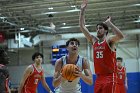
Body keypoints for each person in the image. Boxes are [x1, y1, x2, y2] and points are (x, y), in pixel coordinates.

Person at [79, 0, 124, 93]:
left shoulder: (109, 40)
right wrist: (82, 11)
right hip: (99, 77)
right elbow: (82, 26)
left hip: (110, 76)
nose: (98, 30)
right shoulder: (94, 41)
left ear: (106, 30)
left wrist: (109, 23)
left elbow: (121, 36)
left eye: (100, 28)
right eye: (97, 28)